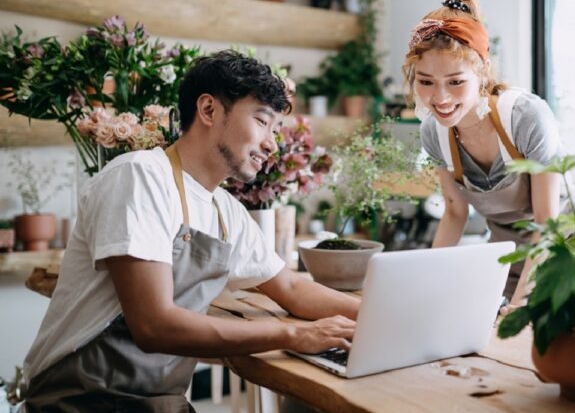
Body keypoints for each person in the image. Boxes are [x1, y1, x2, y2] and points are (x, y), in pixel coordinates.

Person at [22, 51, 359, 411]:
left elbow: (291, 288)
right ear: (209, 110)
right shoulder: (140, 176)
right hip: (80, 399)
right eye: (262, 121)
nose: (271, 144)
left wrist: (376, 314)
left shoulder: (225, 211)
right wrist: (294, 334)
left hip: (158, 402)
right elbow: (154, 325)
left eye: (275, 129)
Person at [402, 0, 568, 306]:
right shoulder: (434, 133)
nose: (440, 98)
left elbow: (549, 224)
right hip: (512, 262)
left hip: (569, 252)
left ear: (482, 71)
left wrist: (520, 305)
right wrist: (426, 287)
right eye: (425, 82)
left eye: (455, 82)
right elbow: (454, 212)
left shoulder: (525, 118)